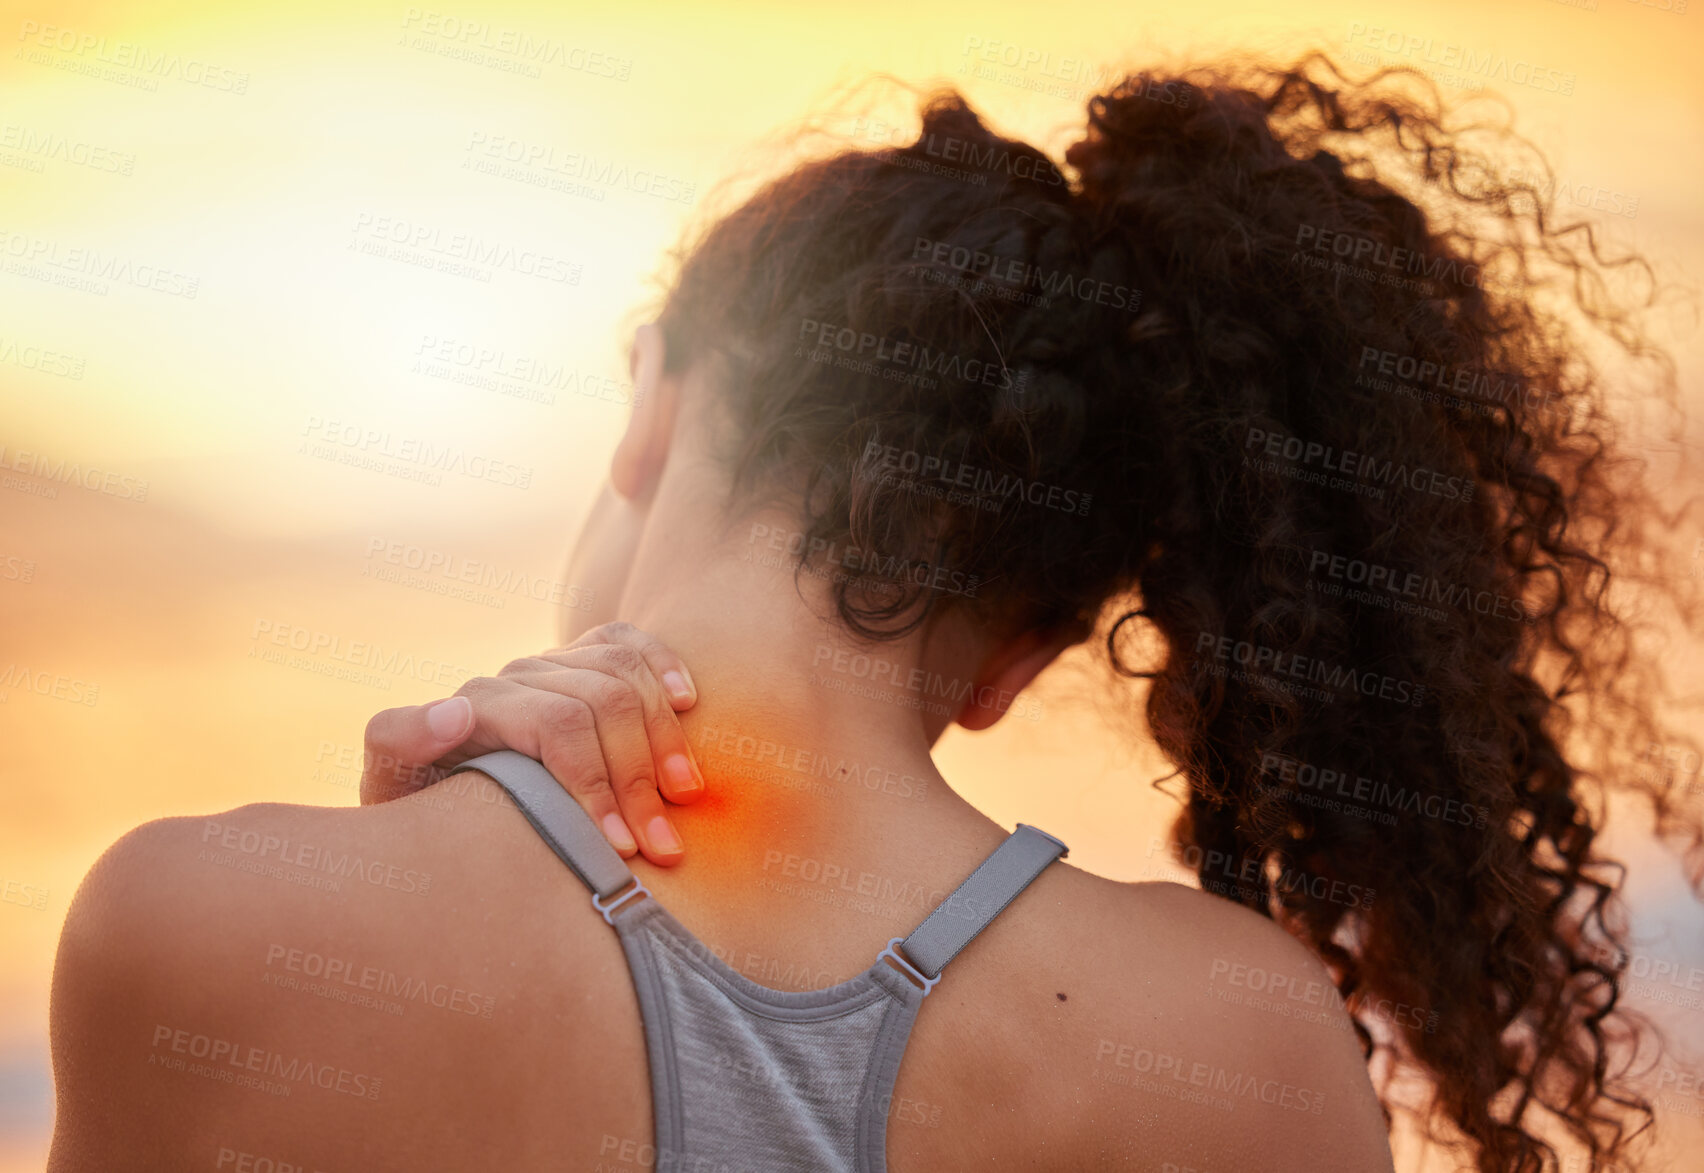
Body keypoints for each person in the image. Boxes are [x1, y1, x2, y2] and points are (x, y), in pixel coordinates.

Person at [48, 52, 1700, 1173]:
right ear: (1022, 657)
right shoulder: (1251, 1048)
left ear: (655, 405)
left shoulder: (192, 928)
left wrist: (392, 866)